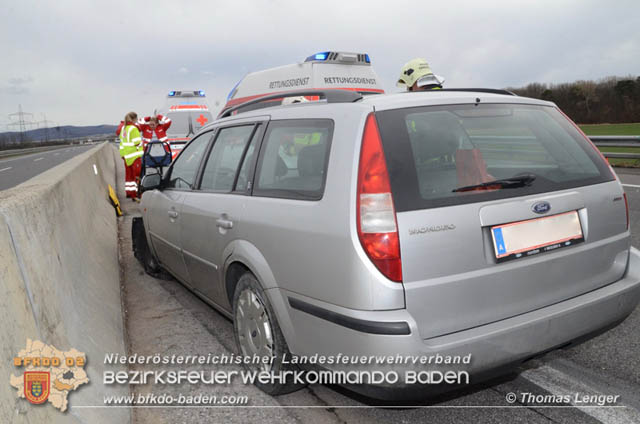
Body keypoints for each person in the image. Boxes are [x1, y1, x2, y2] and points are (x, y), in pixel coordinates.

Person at [119, 112, 144, 200]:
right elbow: (137, 142)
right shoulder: (133, 129)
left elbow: (122, 143)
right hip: (134, 155)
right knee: (136, 175)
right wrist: (142, 145)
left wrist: (123, 154)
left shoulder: (124, 129)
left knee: (129, 176)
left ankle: (129, 193)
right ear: (134, 119)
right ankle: (137, 194)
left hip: (126, 156)